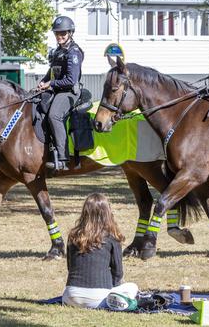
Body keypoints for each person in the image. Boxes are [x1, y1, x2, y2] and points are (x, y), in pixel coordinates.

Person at [62, 193, 138, 309]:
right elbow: (117, 273)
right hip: (98, 299)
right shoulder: (112, 237)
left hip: (70, 297)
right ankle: (115, 301)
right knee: (132, 287)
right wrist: (112, 288)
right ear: (107, 212)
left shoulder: (73, 235)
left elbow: (70, 267)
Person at [38, 16, 84, 171]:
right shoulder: (58, 51)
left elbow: (71, 80)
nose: (60, 36)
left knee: (54, 115)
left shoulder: (73, 52)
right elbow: (51, 71)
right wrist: (42, 82)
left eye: (63, 33)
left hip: (69, 92)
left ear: (70, 33)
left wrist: (50, 84)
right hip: (56, 90)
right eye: (57, 33)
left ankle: (63, 158)